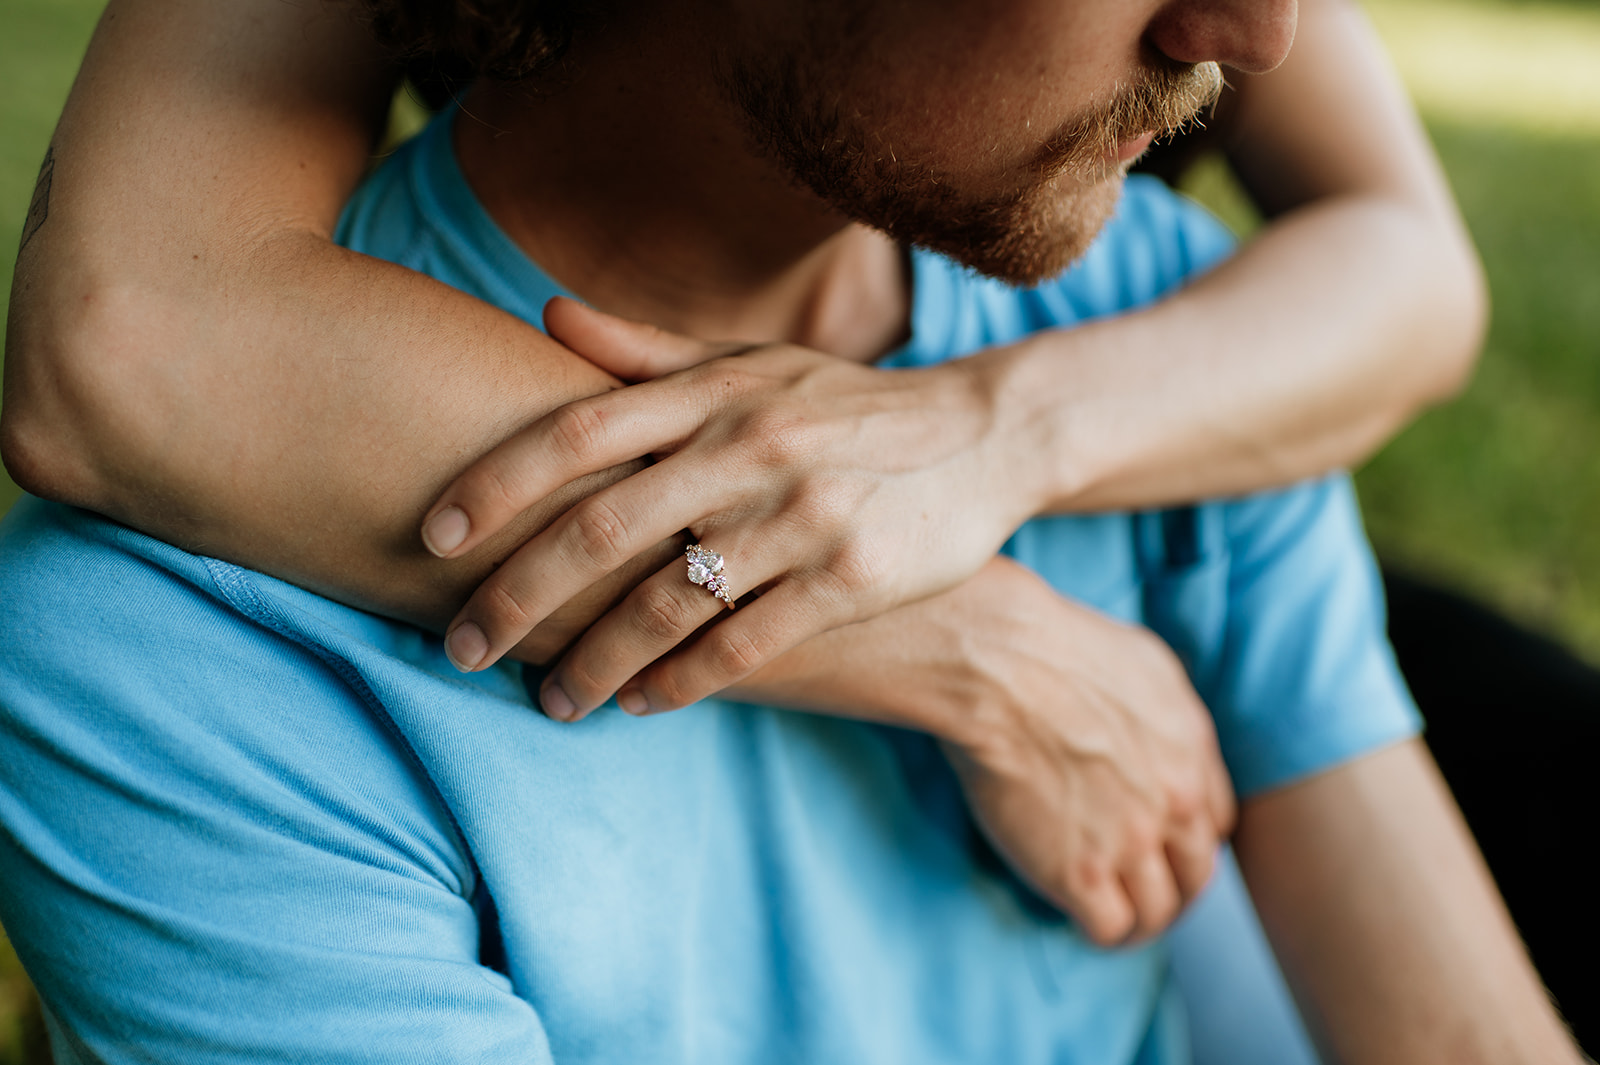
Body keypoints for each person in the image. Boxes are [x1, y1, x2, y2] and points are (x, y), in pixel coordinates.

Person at [0, 0, 1580, 1062]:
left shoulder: (1170, 345)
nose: (1264, 31)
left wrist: (981, 455)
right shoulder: (167, 662)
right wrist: (957, 632)